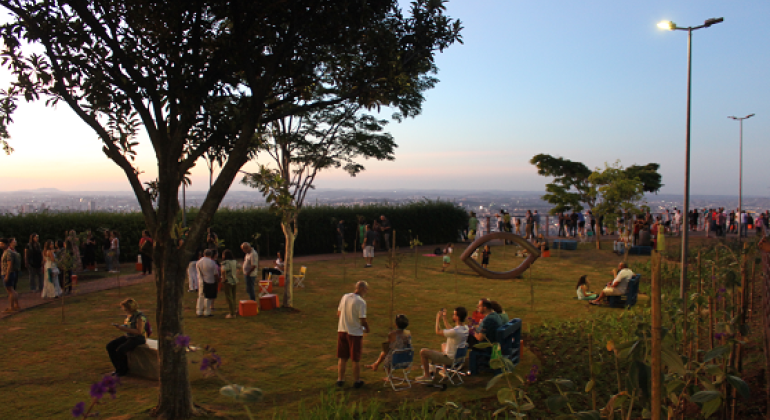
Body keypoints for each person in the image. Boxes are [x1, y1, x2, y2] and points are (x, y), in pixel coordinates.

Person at [415, 306, 469, 383]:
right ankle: (444, 370)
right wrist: (444, 317)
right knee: (444, 344)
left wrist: (437, 318)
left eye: (454, 314)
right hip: (459, 357)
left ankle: (427, 376)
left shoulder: (455, 332)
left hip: (450, 359)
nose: (452, 316)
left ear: (457, 317)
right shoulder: (465, 328)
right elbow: (451, 330)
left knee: (423, 352)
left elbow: (438, 331)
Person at [337, 281, 370, 388]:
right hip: (354, 333)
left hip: (342, 330)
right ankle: (357, 381)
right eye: (366, 289)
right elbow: (363, 319)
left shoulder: (345, 297)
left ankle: (340, 379)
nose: (366, 291)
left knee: (343, 357)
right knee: (355, 358)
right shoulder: (361, 302)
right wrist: (367, 328)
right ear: (361, 289)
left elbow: (339, 313)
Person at [106, 298, 147, 377]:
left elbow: (139, 331)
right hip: (129, 335)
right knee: (110, 346)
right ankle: (118, 368)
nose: (124, 310)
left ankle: (123, 370)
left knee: (121, 350)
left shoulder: (140, 317)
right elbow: (129, 325)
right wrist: (122, 326)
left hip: (138, 338)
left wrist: (123, 328)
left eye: (125, 309)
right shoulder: (130, 315)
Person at [365, 314, 412, 379]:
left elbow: (387, 346)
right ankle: (375, 364)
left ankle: (389, 376)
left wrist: (391, 333)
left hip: (395, 361)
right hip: (406, 360)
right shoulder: (408, 333)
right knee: (387, 352)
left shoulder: (392, 334)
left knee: (387, 352)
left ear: (396, 324)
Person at [196, 249, 219, 317]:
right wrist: (217, 280)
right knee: (208, 297)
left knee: (201, 296)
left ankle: (199, 311)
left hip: (201, 280)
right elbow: (215, 273)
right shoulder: (212, 262)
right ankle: (207, 311)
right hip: (210, 281)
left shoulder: (199, 262)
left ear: (203, 254)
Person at [1, 238, 21, 312]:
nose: (1, 245)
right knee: (12, 290)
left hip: (8, 273)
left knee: (10, 290)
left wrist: (7, 275)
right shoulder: (6, 251)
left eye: (2, 244)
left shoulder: (8, 252)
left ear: (6, 244)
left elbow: (9, 264)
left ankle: (11, 307)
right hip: (9, 272)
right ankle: (16, 305)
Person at [220, 249, 238, 319]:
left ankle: (232, 313)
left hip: (228, 281)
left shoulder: (225, 262)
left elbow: (223, 270)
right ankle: (234, 310)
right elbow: (239, 267)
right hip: (234, 280)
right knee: (233, 297)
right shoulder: (234, 261)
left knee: (229, 298)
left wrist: (224, 279)